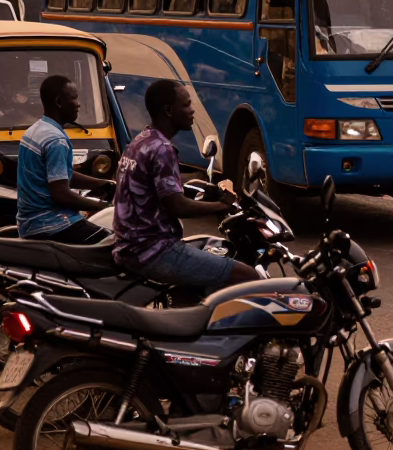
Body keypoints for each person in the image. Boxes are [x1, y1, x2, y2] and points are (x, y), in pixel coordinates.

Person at [112, 78, 258, 291]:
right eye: (186, 105)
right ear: (169, 111)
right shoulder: (162, 149)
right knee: (247, 275)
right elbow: (178, 206)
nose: (192, 110)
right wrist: (223, 206)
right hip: (153, 251)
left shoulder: (141, 141)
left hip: (130, 247)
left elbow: (157, 192)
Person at [17, 74, 113, 243]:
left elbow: (59, 175)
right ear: (59, 102)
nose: (78, 104)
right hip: (53, 223)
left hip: (29, 223)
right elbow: (60, 194)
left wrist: (102, 184)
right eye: (74, 98)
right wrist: (105, 207)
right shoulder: (56, 140)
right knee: (114, 242)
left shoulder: (35, 130)